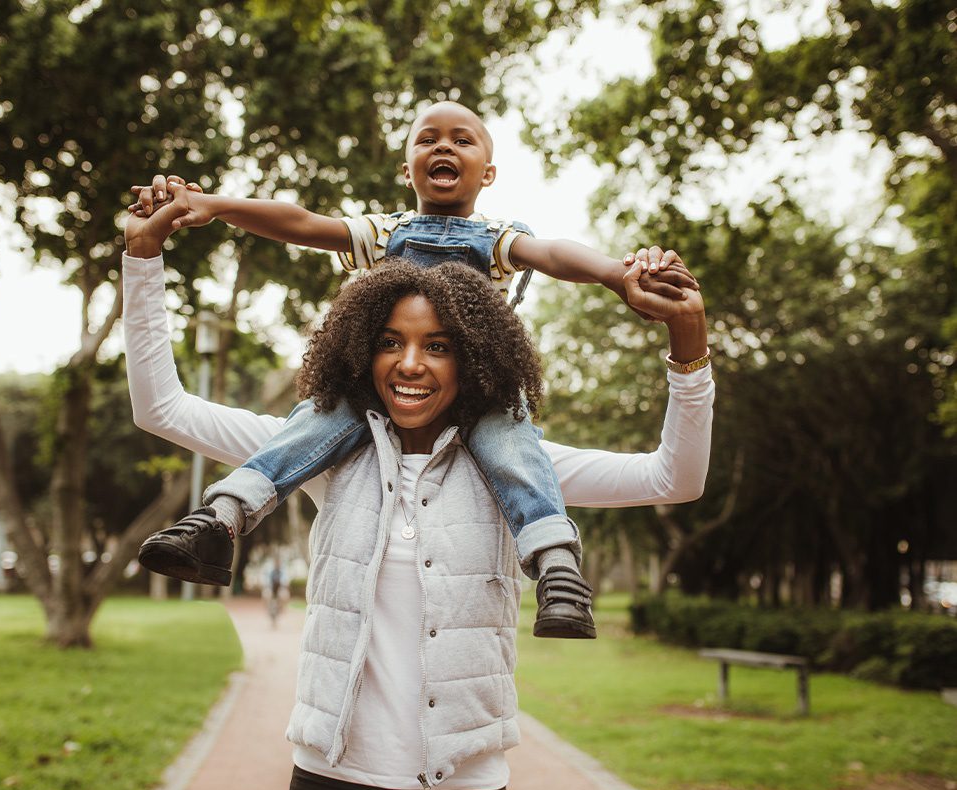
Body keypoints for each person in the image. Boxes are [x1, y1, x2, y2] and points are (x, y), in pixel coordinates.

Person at [122, 198, 713, 790]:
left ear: (476, 359)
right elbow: (161, 408)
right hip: (331, 778)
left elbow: (675, 479)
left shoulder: (522, 471)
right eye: (389, 342)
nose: (410, 365)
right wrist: (143, 257)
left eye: (438, 346)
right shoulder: (320, 454)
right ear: (360, 353)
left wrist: (688, 342)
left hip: (466, 783)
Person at [131, 100, 699, 640]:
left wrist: (613, 276)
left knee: (517, 452)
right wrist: (216, 207)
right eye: (427, 139)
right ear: (408, 169)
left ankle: (556, 566)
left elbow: (551, 254)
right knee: (310, 424)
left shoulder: (497, 238)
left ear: (489, 172)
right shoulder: (384, 230)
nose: (443, 146)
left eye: (461, 139)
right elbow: (303, 223)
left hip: (486, 397)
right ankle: (222, 518)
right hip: (360, 402)